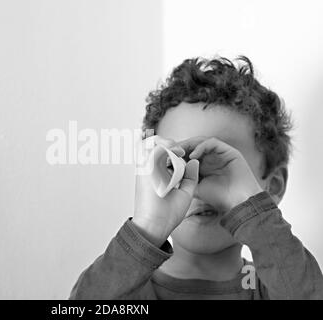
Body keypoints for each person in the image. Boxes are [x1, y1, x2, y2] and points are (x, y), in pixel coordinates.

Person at [69, 56, 323, 299]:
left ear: (273, 186)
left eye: (220, 165)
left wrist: (255, 212)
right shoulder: (125, 288)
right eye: (174, 164)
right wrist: (147, 228)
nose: (197, 186)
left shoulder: (278, 287)